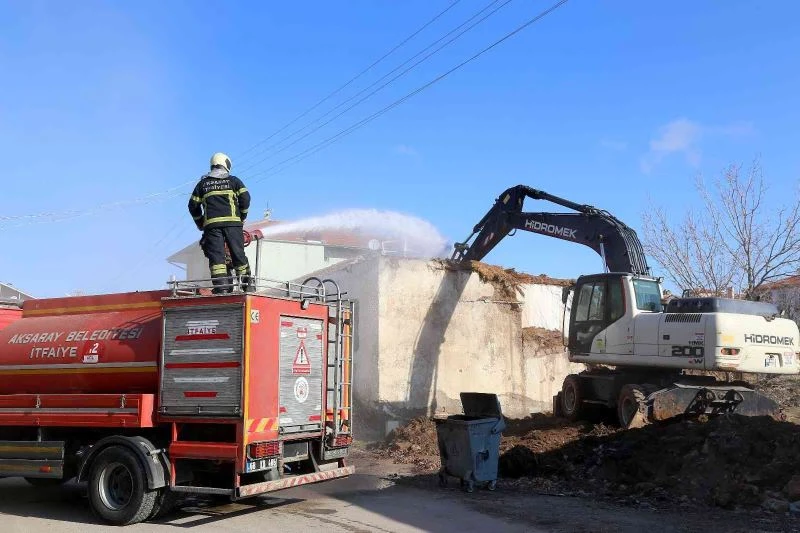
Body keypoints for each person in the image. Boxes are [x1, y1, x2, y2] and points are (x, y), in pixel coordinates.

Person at [188, 152, 254, 293]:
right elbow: (246, 198)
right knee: (238, 255)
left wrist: (200, 223)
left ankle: (222, 288)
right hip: (233, 225)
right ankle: (247, 286)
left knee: (217, 259)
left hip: (212, 227)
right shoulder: (234, 181)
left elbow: (192, 206)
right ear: (226, 164)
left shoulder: (203, 184)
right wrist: (241, 216)